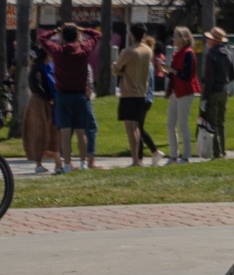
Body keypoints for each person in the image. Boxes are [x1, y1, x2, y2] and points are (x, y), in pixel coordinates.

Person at [37, 22, 102, 173]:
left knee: (65, 132)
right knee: (80, 131)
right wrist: (81, 28)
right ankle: (83, 163)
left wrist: (57, 30)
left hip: (63, 95)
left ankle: (67, 164)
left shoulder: (58, 51)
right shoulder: (84, 49)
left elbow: (42, 38)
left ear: (63, 37)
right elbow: (97, 34)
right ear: (76, 36)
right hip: (80, 95)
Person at [113, 24, 153, 166]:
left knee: (130, 128)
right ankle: (137, 159)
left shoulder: (129, 51)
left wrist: (121, 70)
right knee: (136, 127)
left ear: (132, 35)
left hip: (129, 92)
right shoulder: (148, 50)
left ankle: (135, 159)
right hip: (142, 91)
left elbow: (116, 68)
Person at [23, 45, 60, 174]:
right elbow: (36, 85)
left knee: (53, 131)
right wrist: (48, 97)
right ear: (46, 55)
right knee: (39, 132)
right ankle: (38, 163)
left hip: (50, 102)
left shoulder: (49, 67)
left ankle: (57, 162)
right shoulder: (37, 69)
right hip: (39, 103)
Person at [165, 26, 200, 163]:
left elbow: (186, 75)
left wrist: (173, 71)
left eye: (176, 36)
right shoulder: (177, 54)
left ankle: (186, 156)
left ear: (183, 38)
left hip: (185, 91)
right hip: (176, 91)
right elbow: (174, 75)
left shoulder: (189, 53)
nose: (173, 38)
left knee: (183, 123)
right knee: (170, 124)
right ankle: (173, 155)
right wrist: (167, 71)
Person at [201, 26, 234, 159]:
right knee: (221, 122)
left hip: (214, 91)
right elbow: (232, 75)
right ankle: (223, 151)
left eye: (209, 38)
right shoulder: (228, 53)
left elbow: (209, 79)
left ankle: (216, 153)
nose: (207, 40)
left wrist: (205, 97)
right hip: (224, 90)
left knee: (212, 122)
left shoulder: (211, 55)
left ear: (214, 41)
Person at [136, 32, 164, 165]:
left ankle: (154, 152)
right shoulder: (149, 62)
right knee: (138, 128)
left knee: (138, 128)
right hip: (148, 99)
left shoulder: (146, 63)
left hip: (143, 98)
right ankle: (141, 158)